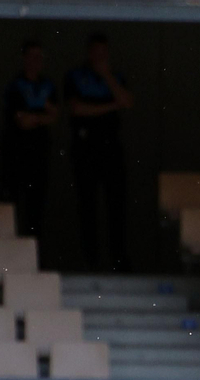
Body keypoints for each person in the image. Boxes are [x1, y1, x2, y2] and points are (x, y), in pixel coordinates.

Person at [66, 32, 133, 272]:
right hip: (85, 148)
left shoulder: (116, 76)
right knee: (87, 206)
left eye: (104, 52)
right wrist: (111, 106)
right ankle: (90, 261)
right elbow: (77, 109)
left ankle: (118, 260)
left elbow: (127, 101)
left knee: (116, 205)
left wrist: (107, 77)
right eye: (96, 52)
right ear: (88, 52)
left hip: (111, 148)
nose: (99, 56)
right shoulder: (76, 76)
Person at [0, 39, 58, 245]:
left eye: (39, 57)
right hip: (16, 154)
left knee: (36, 210)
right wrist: (42, 115)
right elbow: (22, 121)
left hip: (39, 155)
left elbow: (55, 115)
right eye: (32, 56)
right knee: (12, 206)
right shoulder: (15, 85)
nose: (36, 61)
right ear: (24, 58)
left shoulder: (48, 85)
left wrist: (37, 117)